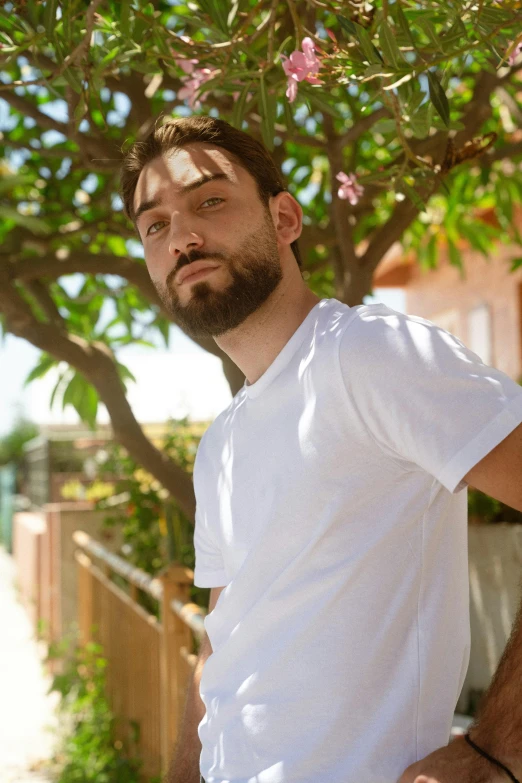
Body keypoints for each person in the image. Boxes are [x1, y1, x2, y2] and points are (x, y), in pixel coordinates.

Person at [120, 116, 522, 783]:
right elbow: (224, 642)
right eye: (154, 224)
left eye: (210, 201)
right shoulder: (222, 440)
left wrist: (500, 744)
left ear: (285, 219)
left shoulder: (371, 354)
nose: (183, 237)